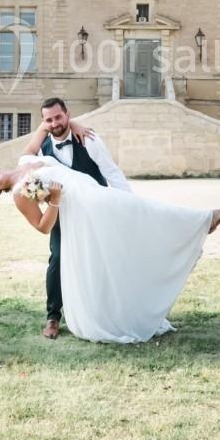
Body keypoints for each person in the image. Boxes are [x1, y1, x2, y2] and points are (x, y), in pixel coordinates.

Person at [0, 158, 220, 344]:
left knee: (130, 228)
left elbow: (46, 123)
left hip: (91, 189)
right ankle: (201, 221)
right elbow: (42, 226)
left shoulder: (25, 159)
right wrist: (55, 201)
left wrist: (74, 124)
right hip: (85, 204)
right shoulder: (19, 194)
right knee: (137, 207)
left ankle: (186, 233)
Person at [21, 97, 129, 339]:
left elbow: (112, 172)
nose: (55, 122)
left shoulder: (88, 138)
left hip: (96, 211)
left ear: (68, 114)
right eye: (49, 119)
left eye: (59, 117)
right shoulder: (41, 151)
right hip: (63, 214)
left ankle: (108, 311)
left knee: (102, 259)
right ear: (43, 123)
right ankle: (53, 317)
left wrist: (128, 204)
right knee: (57, 258)